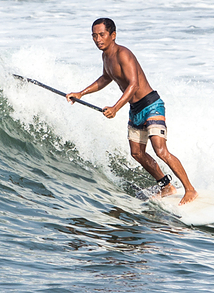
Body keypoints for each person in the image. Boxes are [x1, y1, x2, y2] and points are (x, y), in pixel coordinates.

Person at [68, 17, 198, 205]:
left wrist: (115, 108)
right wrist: (81, 93)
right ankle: (166, 186)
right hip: (135, 109)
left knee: (160, 150)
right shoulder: (106, 56)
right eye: (94, 36)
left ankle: (190, 189)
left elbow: (134, 84)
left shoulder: (124, 54)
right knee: (137, 153)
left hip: (151, 105)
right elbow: (106, 78)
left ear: (113, 35)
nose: (97, 39)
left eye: (101, 35)